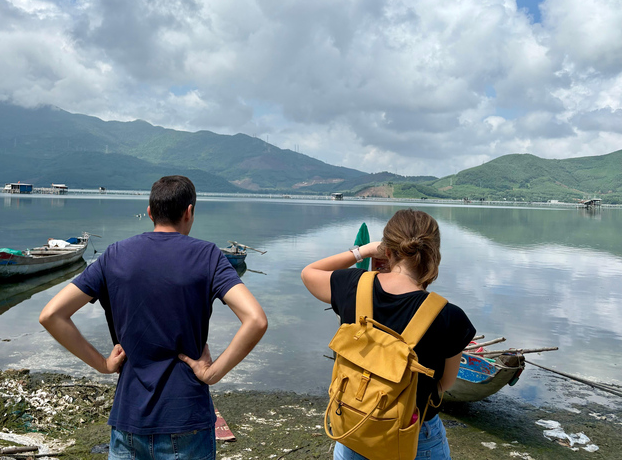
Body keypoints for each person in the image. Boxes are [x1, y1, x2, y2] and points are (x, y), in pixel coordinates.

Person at [40, 175, 267, 460]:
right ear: (189, 212)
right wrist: (213, 372)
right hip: (187, 418)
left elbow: (51, 315)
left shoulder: (114, 255)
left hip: (129, 419)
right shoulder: (208, 256)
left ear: (150, 213)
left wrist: (102, 364)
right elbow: (256, 320)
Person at [300, 209, 475, 460]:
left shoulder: (354, 285)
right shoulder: (450, 316)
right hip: (413, 434)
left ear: (388, 251)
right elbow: (445, 383)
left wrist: (364, 251)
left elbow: (309, 273)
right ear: (434, 254)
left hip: (352, 424)